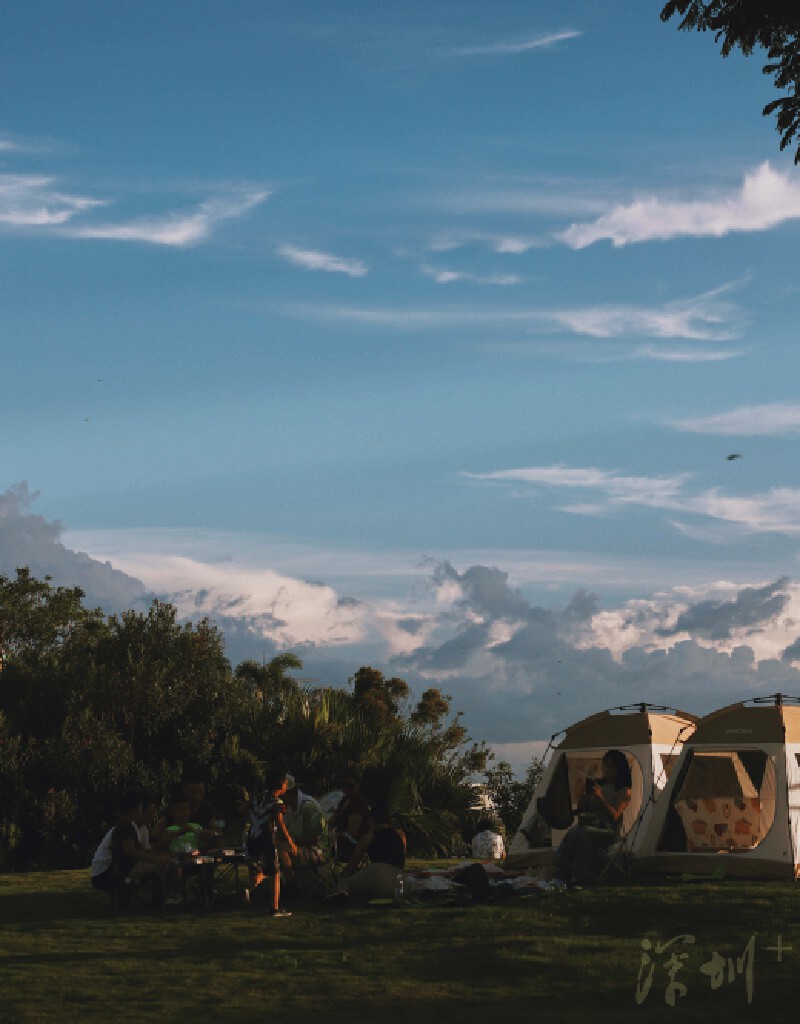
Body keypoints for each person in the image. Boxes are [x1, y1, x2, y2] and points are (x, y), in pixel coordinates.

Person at [552, 749, 632, 887]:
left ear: (620, 769)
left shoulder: (624, 791)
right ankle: (561, 874)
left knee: (584, 833)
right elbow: (583, 809)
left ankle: (581, 875)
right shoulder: (599, 786)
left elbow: (615, 815)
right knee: (573, 832)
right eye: (605, 765)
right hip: (589, 825)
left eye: (611, 767)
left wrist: (600, 799)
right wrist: (584, 797)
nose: (607, 770)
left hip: (609, 832)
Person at [90, 790, 173, 903]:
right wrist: (156, 859)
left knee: (162, 864)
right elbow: (131, 851)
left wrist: (166, 855)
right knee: (161, 866)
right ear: (134, 810)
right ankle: (159, 898)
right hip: (109, 872)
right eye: (140, 808)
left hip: (118, 867)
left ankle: (147, 896)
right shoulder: (125, 826)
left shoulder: (129, 826)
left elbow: (142, 851)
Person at [240, 767, 296, 918]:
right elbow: (280, 824)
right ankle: (274, 908)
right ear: (282, 784)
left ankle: (249, 890)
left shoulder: (257, 797)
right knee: (275, 872)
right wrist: (290, 841)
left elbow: (244, 808)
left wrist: (252, 817)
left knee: (262, 870)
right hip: (266, 838)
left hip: (252, 836)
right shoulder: (277, 802)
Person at [331, 800, 406, 900]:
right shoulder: (400, 835)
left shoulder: (369, 836)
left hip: (378, 872)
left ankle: (342, 891)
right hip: (399, 879)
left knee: (346, 882)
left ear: (372, 820)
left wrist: (341, 877)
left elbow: (352, 866)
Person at [277, 774, 327, 879]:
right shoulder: (288, 807)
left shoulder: (309, 807)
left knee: (280, 847)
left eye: (281, 795)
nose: (279, 798)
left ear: (291, 792)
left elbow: (314, 840)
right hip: (298, 848)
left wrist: (290, 840)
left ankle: (291, 882)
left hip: (317, 851)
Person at [332, 770, 371, 863]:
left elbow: (352, 833)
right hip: (339, 839)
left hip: (352, 845)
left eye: (350, 786)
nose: (347, 789)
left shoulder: (358, 803)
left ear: (358, 785)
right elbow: (333, 820)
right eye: (343, 785)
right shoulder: (344, 801)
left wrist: (333, 836)